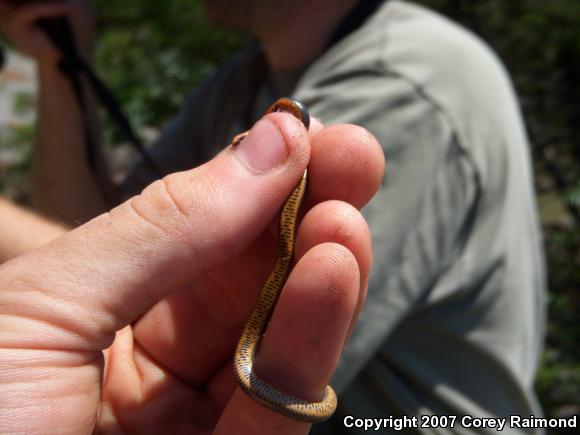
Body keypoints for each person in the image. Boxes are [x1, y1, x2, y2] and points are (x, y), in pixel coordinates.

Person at [0, 0, 547, 434]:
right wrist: (61, 63)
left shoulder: (408, 83)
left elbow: (122, 307)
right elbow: (95, 246)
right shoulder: (241, 78)